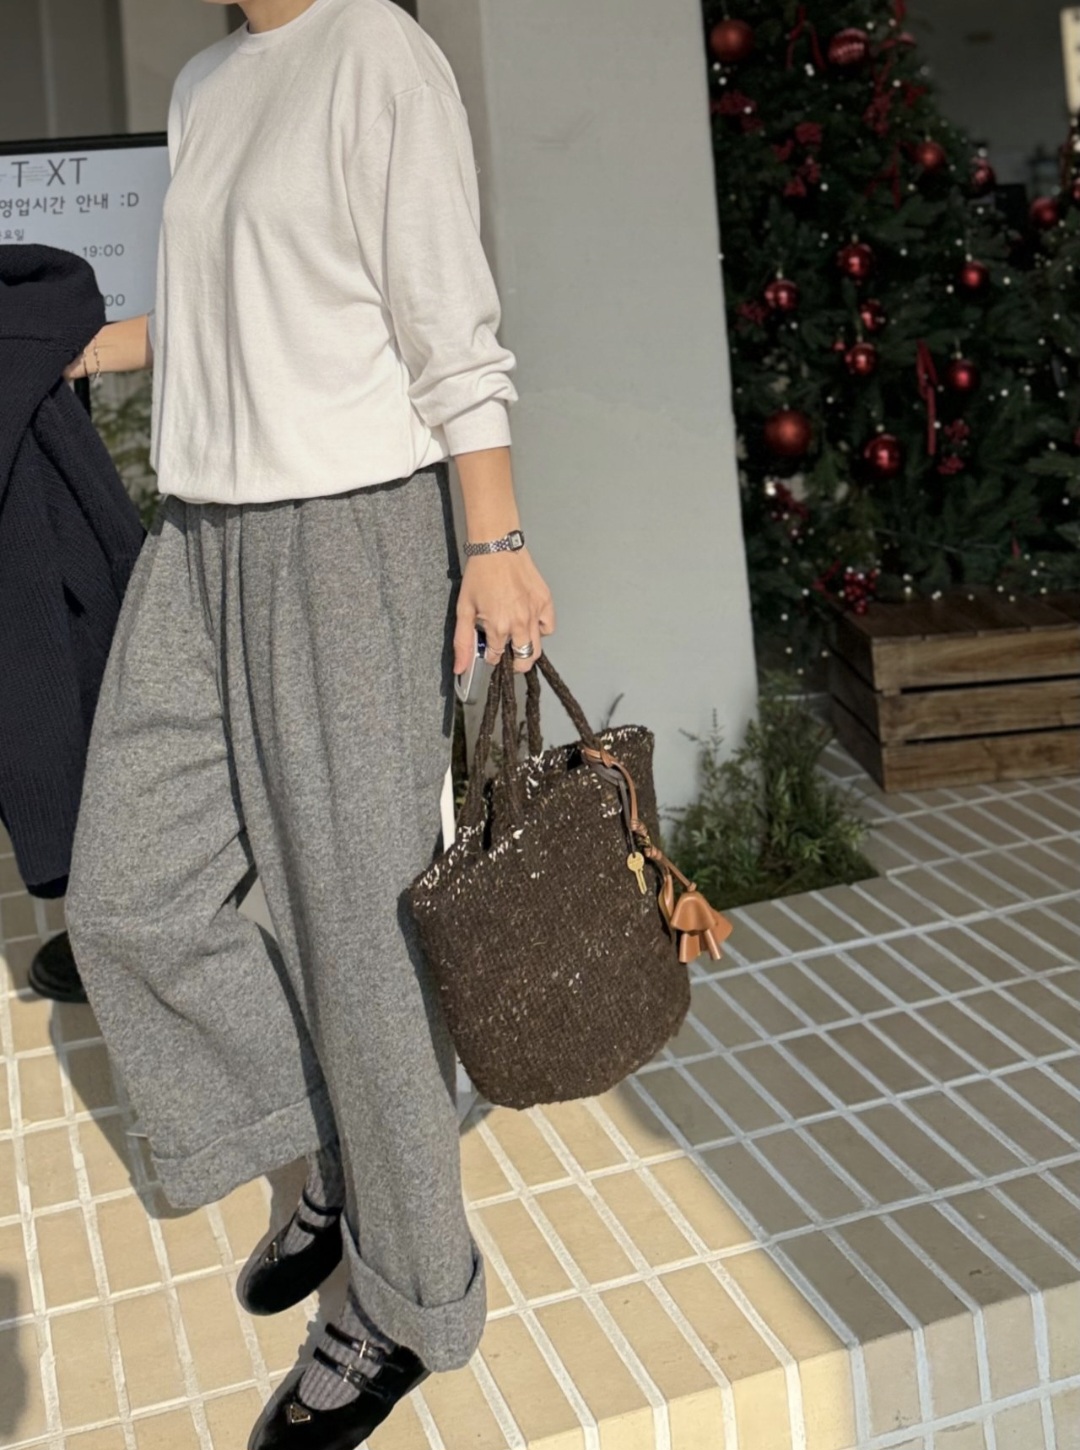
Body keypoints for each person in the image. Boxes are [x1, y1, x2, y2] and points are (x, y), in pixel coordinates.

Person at [62, 1, 555, 1446]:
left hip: (347, 531)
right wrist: (69, 348)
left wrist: (494, 538)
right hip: (198, 536)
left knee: (357, 933)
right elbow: (227, 307)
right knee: (129, 894)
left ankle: (408, 1302)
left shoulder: (375, 50)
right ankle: (326, 1140)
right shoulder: (207, 82)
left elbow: (446, 320)